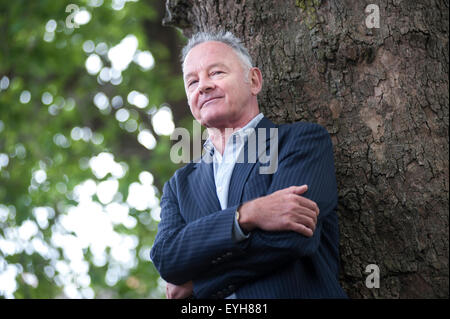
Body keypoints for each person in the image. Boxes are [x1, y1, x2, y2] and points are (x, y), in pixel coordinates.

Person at [150, 30, 347, 299]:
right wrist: (247, 215)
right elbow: (167, 258)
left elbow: (292, 239)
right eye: (192, 81)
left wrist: (201, 283)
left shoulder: (298, 142)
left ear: (253, 81)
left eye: (216, 73)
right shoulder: (179, 185)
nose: (203, 86)